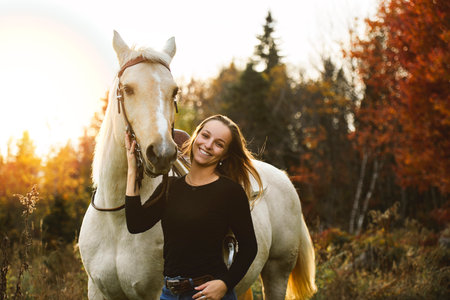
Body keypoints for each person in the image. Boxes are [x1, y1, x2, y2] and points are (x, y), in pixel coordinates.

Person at [125, 115, 263, 300]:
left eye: (219, 144)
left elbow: (249, 247)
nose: (208, 145)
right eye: (205, 136)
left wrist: (225, 283)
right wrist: (132, 168)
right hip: (170, 294)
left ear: (225, 154)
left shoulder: (230, 191)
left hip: (207, 293)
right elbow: (136, 223)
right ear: (196, 136)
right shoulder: (171, 186)